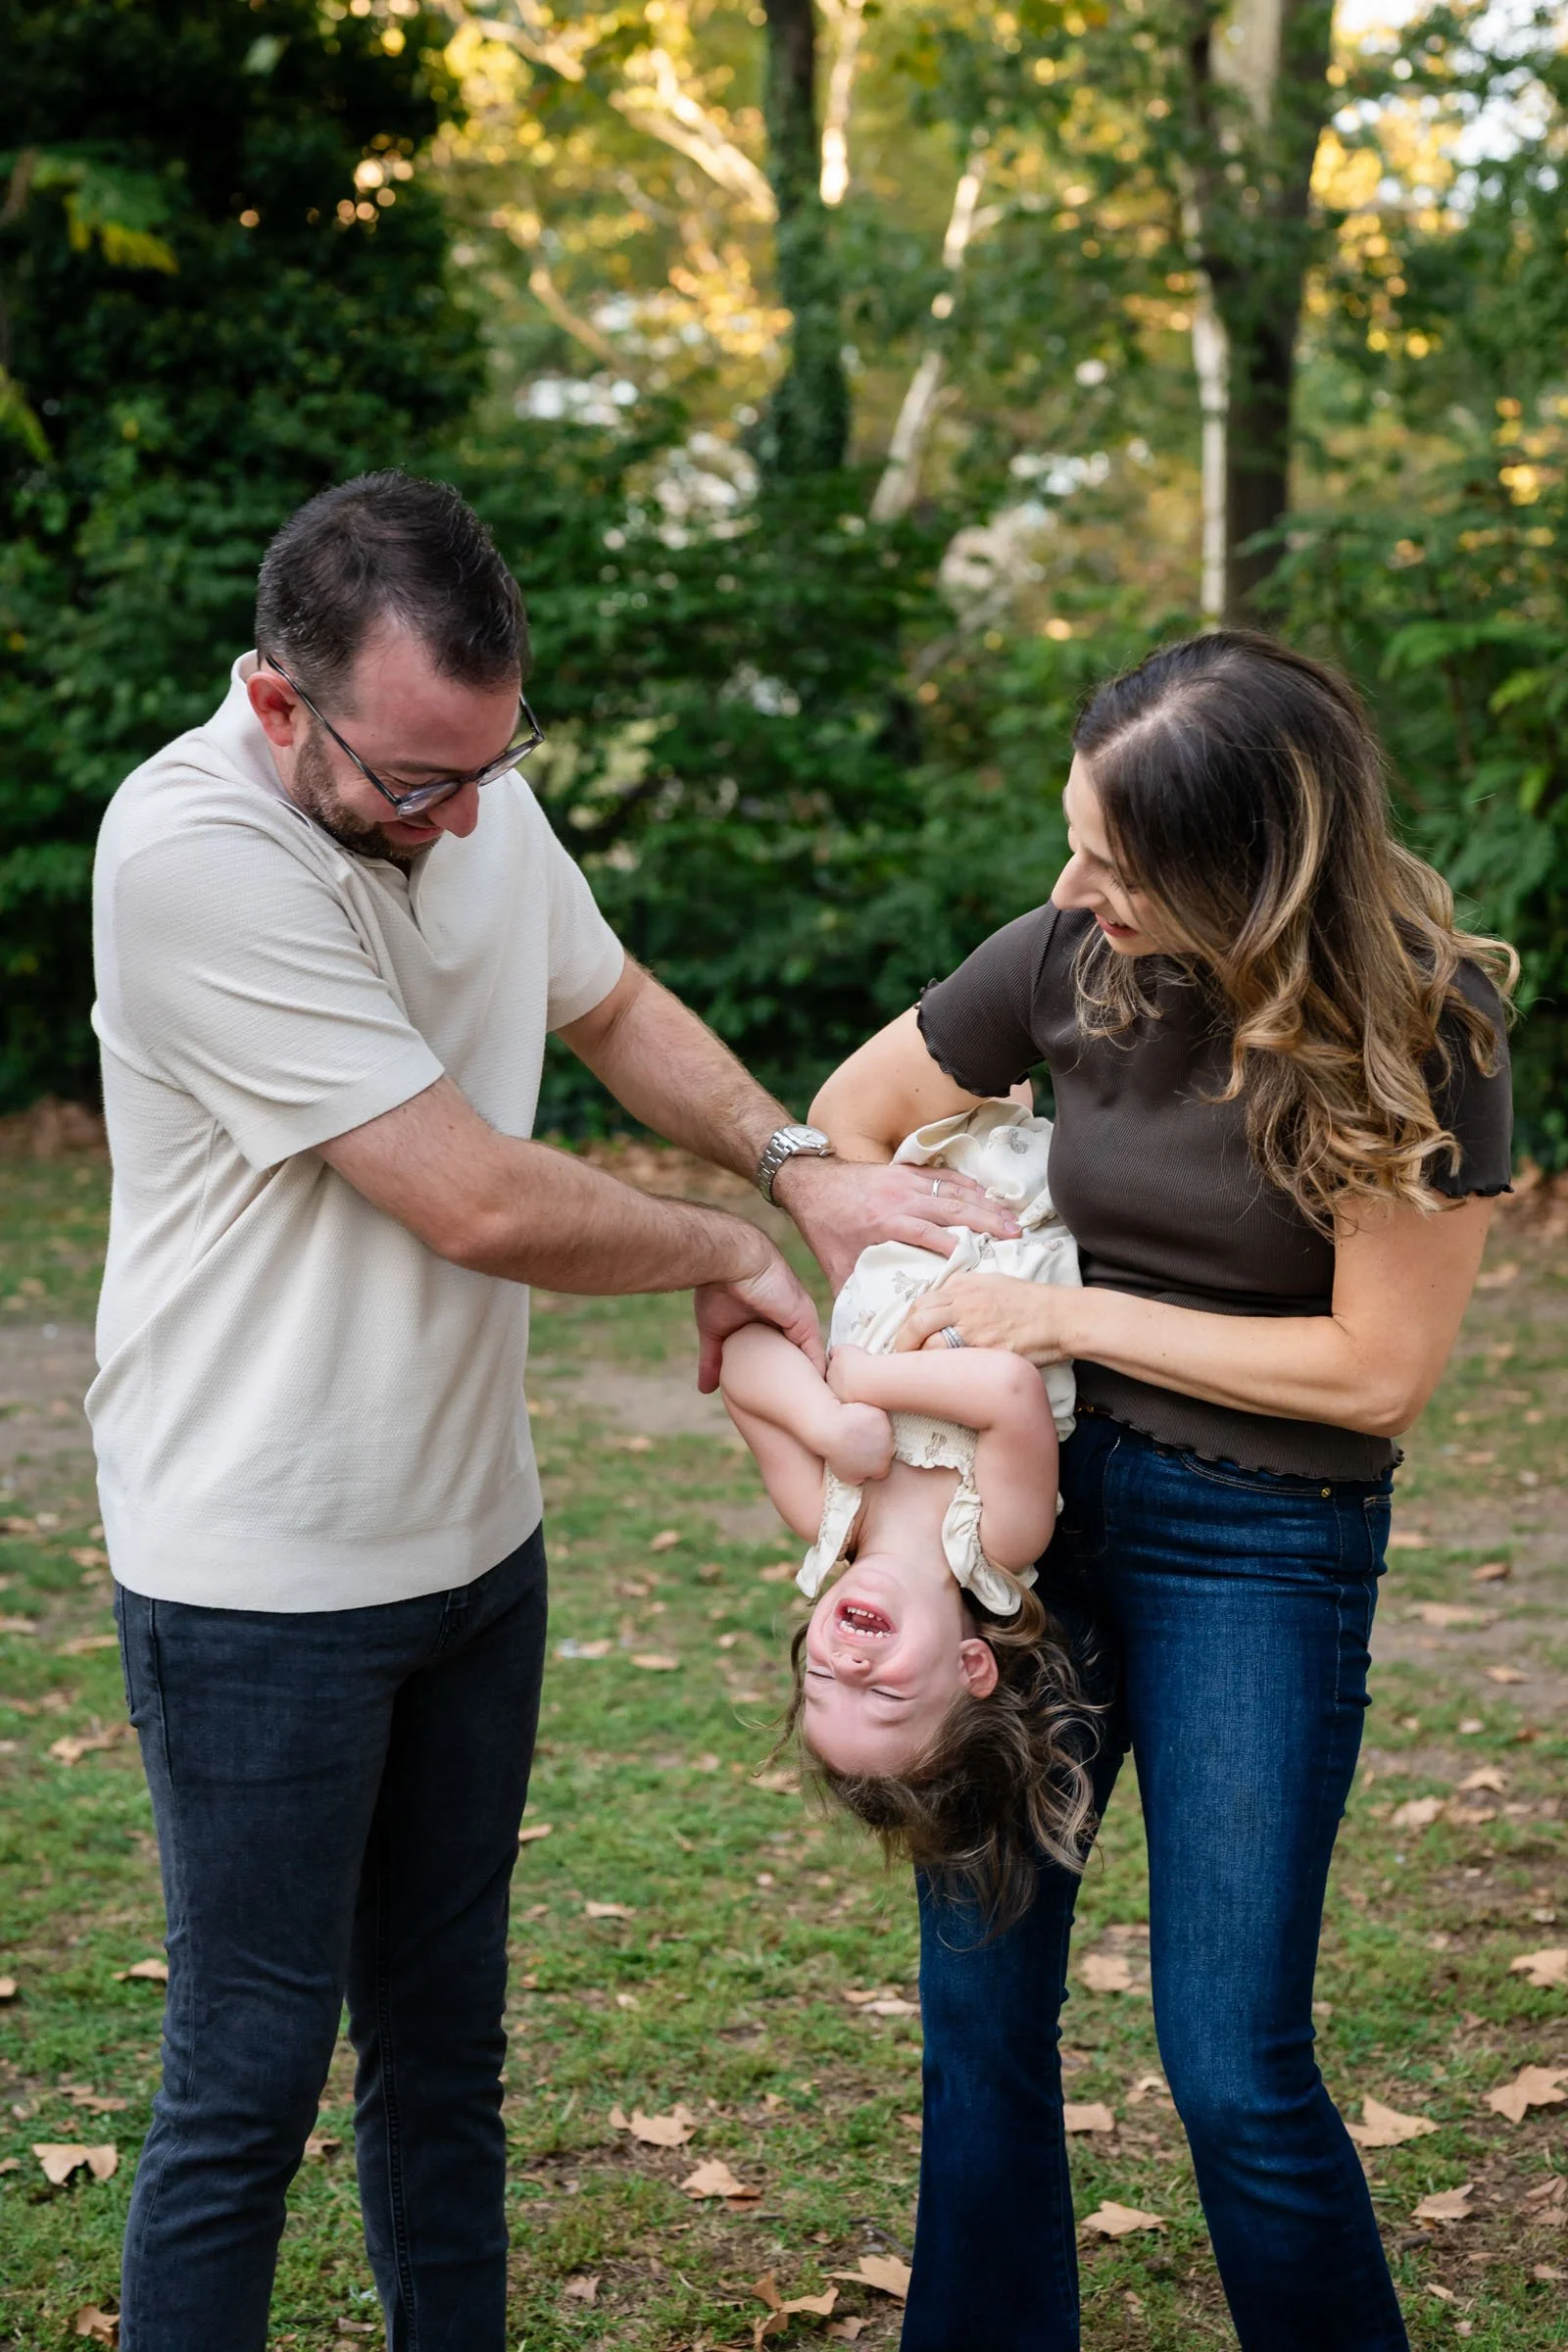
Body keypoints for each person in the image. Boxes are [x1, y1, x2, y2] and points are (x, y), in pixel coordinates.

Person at [87, 469, 1021, 2352]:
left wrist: (788, 1161)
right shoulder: (188, 852)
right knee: (243, 2084)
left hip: (473, 1553)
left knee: (445, 2061)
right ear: (281, 704)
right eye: (417, 780)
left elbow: (607, 1004)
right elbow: (475, 1196)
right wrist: (715, 1250)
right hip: (255, 1571)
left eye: (493, 767)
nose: (460, 817)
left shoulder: (472, 803)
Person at [808, 630, 1515, 2352]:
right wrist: (963, 1250)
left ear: (1246, 867)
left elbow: (1374, 1373)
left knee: (1231, 2060)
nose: (1073, 887)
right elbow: (853, 1121)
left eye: (1117, 864)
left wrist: (1066, 1309)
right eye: (1076, 839)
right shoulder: (1069, 958)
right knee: (977, 2010)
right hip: (1027, 1528)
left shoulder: (1426, 1018)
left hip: (1262, 1543)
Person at [718, 1103, 1096, 1914]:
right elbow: (1006, 1392)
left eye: (821, 1683)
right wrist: (864, 1387)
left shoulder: (826, 1513)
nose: (849, 1669)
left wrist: (825, 1424)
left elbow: (744, 1360)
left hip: (918, 1175)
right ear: (972, 1669)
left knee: (930, 1055)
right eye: (883, 1696)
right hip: (1038, 1190)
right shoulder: (998, 1539)